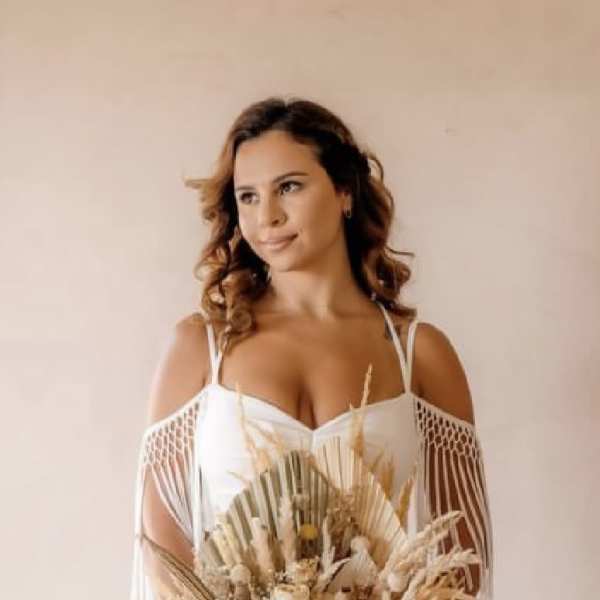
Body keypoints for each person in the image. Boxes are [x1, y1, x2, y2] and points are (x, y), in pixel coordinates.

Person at [129, 97, 494, 599]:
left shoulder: (419, 354)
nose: (267, 216)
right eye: (248, 196)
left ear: (345, 191)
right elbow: (161, 545)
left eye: (289, 187)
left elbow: (464, 551)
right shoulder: (201, 348)